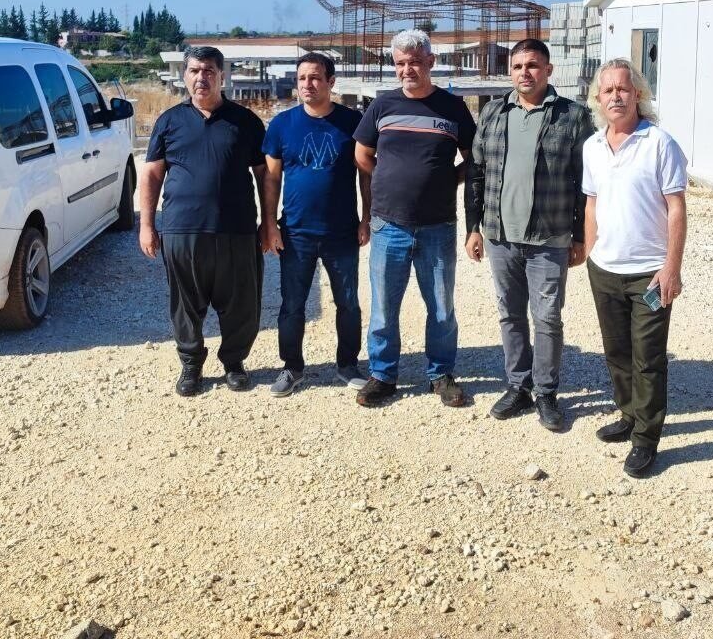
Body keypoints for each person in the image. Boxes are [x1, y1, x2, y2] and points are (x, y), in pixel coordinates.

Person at [465, 38, 595, 431]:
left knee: (548, 318)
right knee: (510, 314)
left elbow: (585, 182)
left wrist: (579, 236)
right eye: (518, 66)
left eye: (533, 65)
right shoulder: (493, 112)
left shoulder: (572, 116)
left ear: (548, 70)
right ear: (510, 71)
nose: (525, 73)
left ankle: (546, 393)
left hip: (549, 238)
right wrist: (473, 228)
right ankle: (518, 386)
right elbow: (476, 172)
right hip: (500, 235)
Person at [139, 46, 275, 397]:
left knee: (242, 303)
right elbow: (152, 175)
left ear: (221, 76)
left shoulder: (245, 121)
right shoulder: (169, 122)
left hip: (237, 229)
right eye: (195, 71)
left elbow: (265, 175)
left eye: (209, 71)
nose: (202, 77)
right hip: (182, 230)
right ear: (185, 76)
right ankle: (191, 365)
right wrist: (147, 225)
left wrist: (268, 224)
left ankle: (234, 362)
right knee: (185, 303)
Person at [352, 29, 477, 408]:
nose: (408, 70)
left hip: (438, 225)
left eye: (415, 62)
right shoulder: (382, 106)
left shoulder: (453, 108)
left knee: (441, 305)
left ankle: (440, 374)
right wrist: (389, 181)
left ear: (430, 63)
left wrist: (447, 180)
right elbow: (362, 154)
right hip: (388, 224)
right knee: (383, 306)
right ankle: (382, 375)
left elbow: (473, 158)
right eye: (401, 63)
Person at [582, 58, 688, 478]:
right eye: (607, 90)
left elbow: (676, 208)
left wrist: (672, 267)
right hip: (605, 269)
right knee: (617, 352)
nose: (616, 96)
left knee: (648, 358)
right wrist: (591, 254)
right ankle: (628, 415)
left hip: (650, 274)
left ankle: (646, 438)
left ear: (638, 94)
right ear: (598, 98)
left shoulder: (659, 143)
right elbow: (591, 204)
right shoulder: (593, 147)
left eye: (623, 89)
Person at [262, 52, 372, 396]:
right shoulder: (282, 124)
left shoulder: (352, 122)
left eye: (315, 77)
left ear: (330, 82)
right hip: (296, 232)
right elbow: (271, 179)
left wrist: (366, 218)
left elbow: (366, 174)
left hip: (342, 232)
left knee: (348, 303)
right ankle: (291, 367)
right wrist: (269, 224)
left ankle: (348, 364)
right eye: (302, 78)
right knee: (292, 305)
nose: (307, 84)